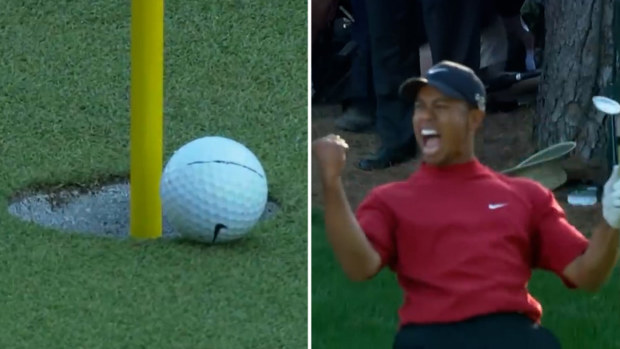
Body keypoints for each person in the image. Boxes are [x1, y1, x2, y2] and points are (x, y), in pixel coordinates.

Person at [312, 61, 620, 348]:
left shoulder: (526, 196)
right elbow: (359, 267)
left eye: (441, 107)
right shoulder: (390, 201)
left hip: (512, 335)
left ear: (475, 118)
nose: (426, 117)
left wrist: (612, 221)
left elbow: (586, 275)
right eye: (420, 107)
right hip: (431, 337)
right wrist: (331, 183)